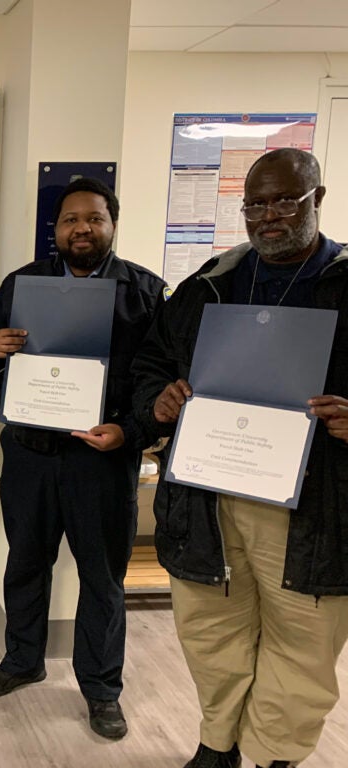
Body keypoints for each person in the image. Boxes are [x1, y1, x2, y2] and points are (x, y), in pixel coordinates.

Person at [131, 148, 348, 768]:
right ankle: (217, 744)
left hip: (313, 510)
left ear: (318, 200)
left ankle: (274, 754)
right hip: (210, 498)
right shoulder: (210, 285)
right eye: (256, 203)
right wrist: (161, 400)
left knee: (304, 644)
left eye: (286, 200)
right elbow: (152, 365)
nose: (269, 215)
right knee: (211, 630)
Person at [0, 177, 165, 740]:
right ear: (56, 229)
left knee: (103, 578)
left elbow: (160, 382)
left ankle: (102, 690)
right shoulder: (24, 283)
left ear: (112, 224)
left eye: (93, 218)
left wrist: (128, 432)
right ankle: (23, 659)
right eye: (71, 219)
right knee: (26, 561)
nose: (82, 228)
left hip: (101, 460)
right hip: (29, 454)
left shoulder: (145, 293)